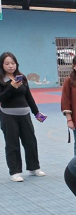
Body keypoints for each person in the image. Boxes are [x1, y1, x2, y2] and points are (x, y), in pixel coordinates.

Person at [0, 52, 46, 182]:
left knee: (30, 141)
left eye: (13, 63)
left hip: (25, 115)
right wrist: (11, 87)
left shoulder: (22, 78)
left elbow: (28, 97)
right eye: (7, 63)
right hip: (8, 116)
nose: (10, 66)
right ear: (2, 65)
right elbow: (1, 98)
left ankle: (34, 168)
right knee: (12, 144)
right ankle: (15, 172)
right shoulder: (1, 80)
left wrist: (37, 113)